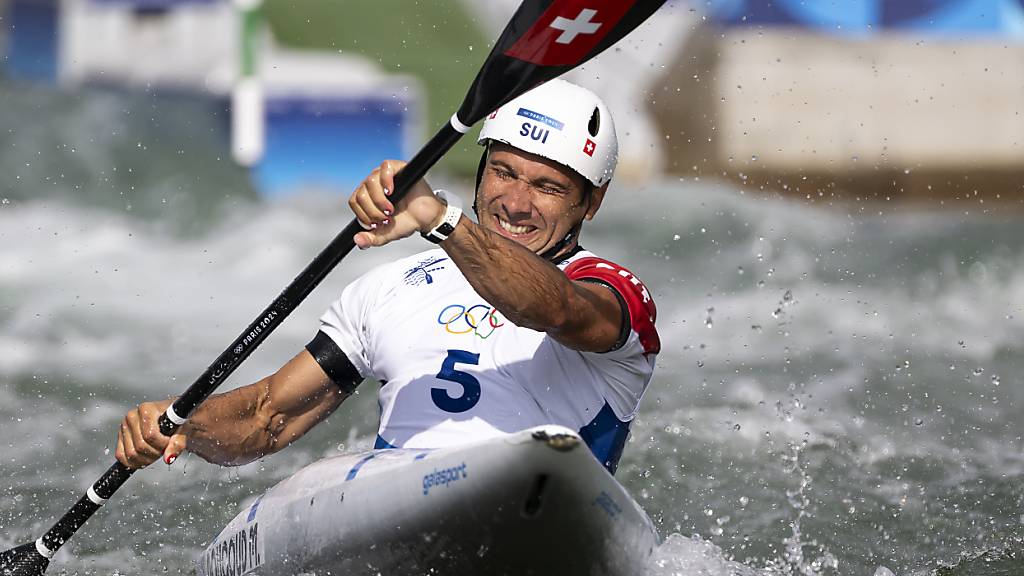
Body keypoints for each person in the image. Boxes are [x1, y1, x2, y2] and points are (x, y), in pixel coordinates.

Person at [115, 79, 660, 475]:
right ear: (480, 169)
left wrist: (440, 219)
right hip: (395, 508)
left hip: (541, 510)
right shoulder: (388, 290)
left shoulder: (613, 295)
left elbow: (552, 310)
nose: (515, 203)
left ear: (592, 202)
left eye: (547, 187)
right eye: (503, 172)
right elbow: (268, 418)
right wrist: (185, 425)